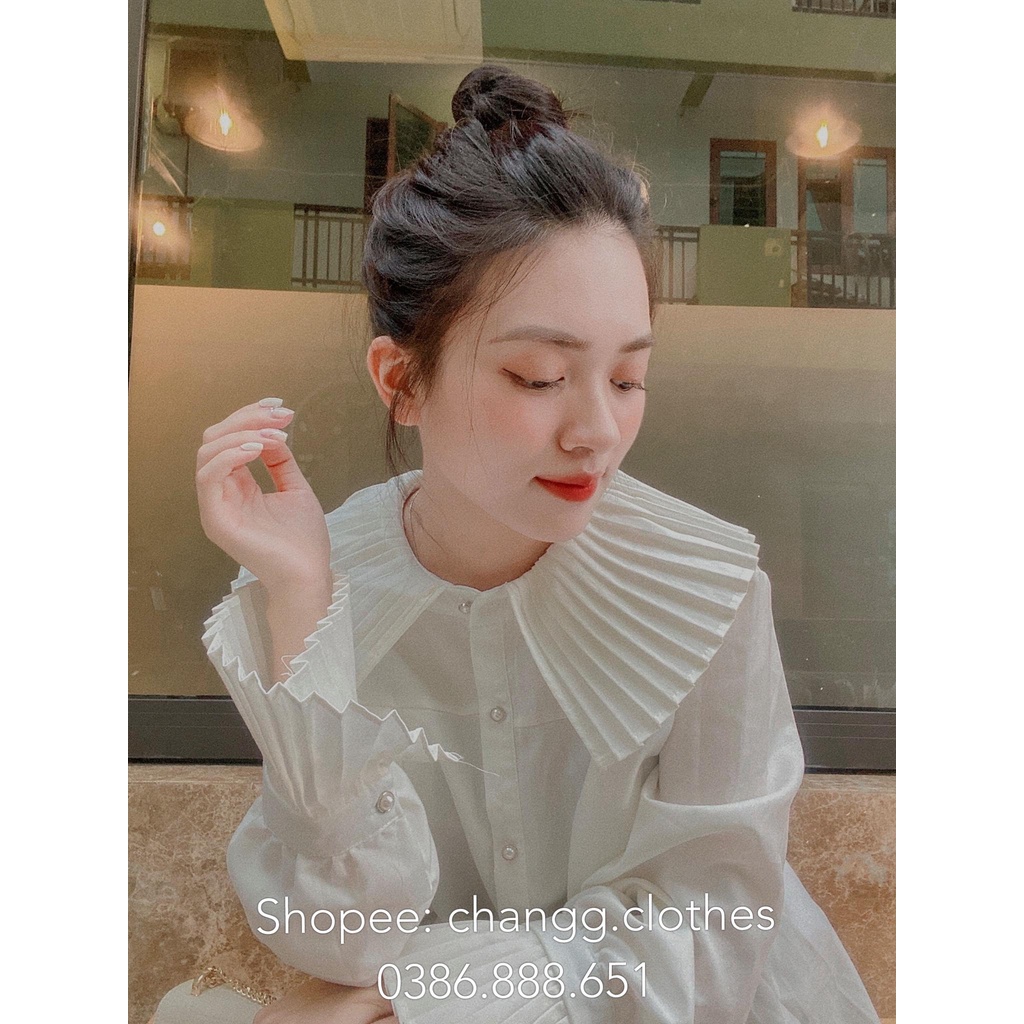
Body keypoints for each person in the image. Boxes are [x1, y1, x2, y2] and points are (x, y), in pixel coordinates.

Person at [158, 65, 880, 1024]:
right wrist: (299, 600)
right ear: (401, 381)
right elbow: (338, 935)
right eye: (539, 377)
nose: (598, 433)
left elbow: (707, 928)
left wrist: (419, 992)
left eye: (627, 379)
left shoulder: (707, 588)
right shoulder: (315, 584)